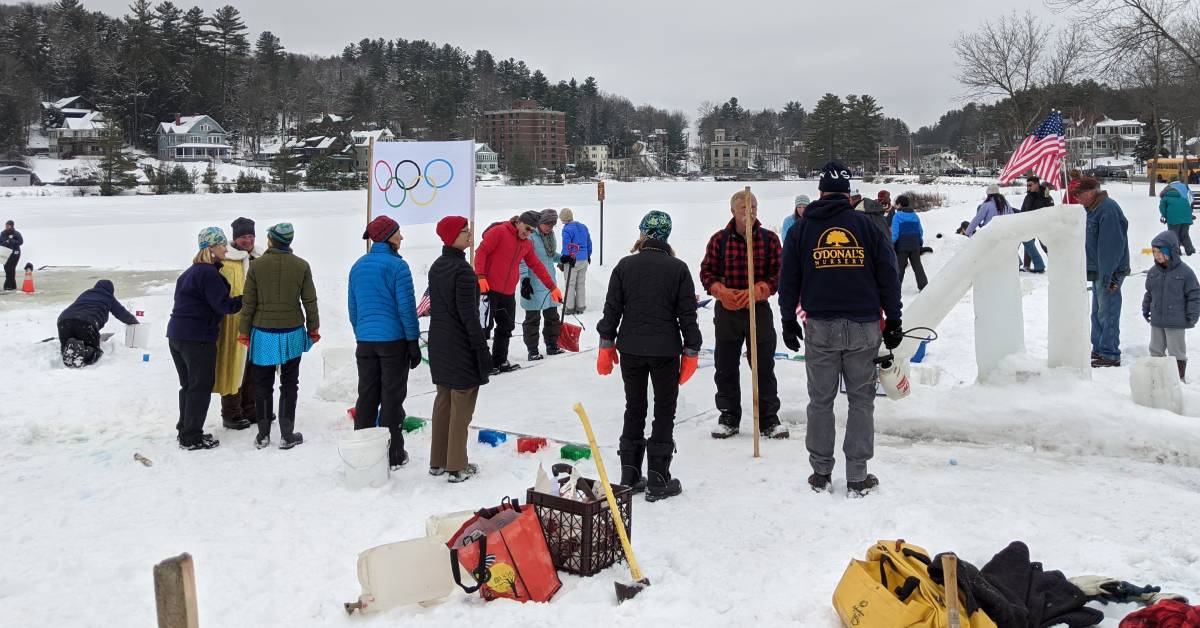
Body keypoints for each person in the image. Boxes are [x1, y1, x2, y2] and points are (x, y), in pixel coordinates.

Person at [778, 161, 903, 498]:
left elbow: (788, 279)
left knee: (820, 401)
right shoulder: (868, 227)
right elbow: (888, 275)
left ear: (820, 192)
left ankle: (820, 472)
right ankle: (857, 476)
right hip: (863, 326)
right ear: (848, 194)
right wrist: (894, 319)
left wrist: (788, 318)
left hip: (820, 326)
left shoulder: (801, 230)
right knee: (861, 401)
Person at [597, 211, 702, 502]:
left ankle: (629, 476)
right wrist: (691, 349)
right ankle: (658, 477)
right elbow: (687, 316)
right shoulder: (678, 268)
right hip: (664, 351)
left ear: (643, 233)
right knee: (663, 410)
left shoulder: (624, 266)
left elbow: (611, 310)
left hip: (630, 348)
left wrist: (607, 343)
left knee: (635, 407)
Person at [700, 189, 785, 440]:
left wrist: (761, 289)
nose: (750, 212)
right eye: (744, 208)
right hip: (728, 310)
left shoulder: (769, 239)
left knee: (763, 364)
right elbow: (707, 272)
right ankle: (728, 416)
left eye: (754, 207)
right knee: (725, 364)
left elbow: (779, 273)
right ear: (733, 211)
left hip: (758, 309)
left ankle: (769, 418)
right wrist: (720, 291)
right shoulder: (719, 240)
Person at [238, 223, 319, 449]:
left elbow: (249, 303)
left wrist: (244, 331)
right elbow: (309, 301)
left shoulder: (257, 266)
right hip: (292, 331)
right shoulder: (302, 266)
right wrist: (314, 328)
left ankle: (263, 435)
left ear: (272, 240)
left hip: (263, 333)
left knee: (262, 384)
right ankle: (287, 434)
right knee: (290, 382)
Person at [348, 215, 421, 469]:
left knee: (366, 396)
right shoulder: (398, 267)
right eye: (398, 233)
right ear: (388, 237)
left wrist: (362, 333)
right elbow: (406, 310)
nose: (401, 237)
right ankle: (393, 454)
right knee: (391, 398)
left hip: (365, 341)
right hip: (393, 341)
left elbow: (353, 309)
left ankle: (363, 452)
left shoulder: (358, 266)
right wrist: (413, 342)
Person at [166, 228, 244, 450]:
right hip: (197, 338)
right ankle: (192, 437)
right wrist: (246, 298)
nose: (226, 249)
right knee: (200, 387)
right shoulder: (208, 273)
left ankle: (185, 429)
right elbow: (223, 305)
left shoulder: (189, 273)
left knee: (188, 385)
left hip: (176, 335)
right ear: (210, 248)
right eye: (221, 245)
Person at [427, 216, 491, 482]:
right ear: (452, 236)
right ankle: (457, 465)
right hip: (459, 344)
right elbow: (468, 315)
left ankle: (438, 461)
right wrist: (480, 347)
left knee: (443, 400)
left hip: (439, 341)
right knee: (462, 403)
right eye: (464, 231)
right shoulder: (463, 271)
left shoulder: (437, 266)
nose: (469, 235)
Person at [475, 210, 560, 374]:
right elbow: (481, 252)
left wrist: (552, 287)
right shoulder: (499, 232)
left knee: (506, 327)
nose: (527, 233)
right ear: (519, 222)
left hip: (507, 292)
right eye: (527, 228)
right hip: (488, 289)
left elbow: (537, 266)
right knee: (484, 328)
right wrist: (480, 276)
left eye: (531, 231)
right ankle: (483, 364)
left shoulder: (526, 244)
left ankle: (499, 361)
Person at [215, 217, 265, 430]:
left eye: (251, 236)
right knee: (234, 365)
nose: (248, 240)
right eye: (244, 237)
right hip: (232, 321)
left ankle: (250, 407)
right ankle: (231, 412)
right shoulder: (227, 261)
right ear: (235, 239)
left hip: (256, 320)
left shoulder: (258, 258)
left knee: (254, 365)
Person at [1077, 177, 1130, 368]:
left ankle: (1110, 353)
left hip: (1110, 271)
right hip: (1098, 270)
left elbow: (1111, 248)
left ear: (1091, 192)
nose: (1077, 199)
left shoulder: (1107, 209)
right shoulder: (1092, 210)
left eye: (1079, 194)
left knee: (1108, 312)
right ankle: (1099, 348)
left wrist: (1108, 276)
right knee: (1097, 312)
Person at [1142, 230, 1200, 382]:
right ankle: (1157, 377)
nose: (1157, 255)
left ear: (1172, 251)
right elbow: (1149, 292)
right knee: (1155, 349)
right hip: (1157, 320)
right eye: (1154, 252)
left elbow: (1195, 295)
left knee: (1176, 350)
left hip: (1176, 321)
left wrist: (1193, 315)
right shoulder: (1153, 272)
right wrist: (1146, 308)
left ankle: (1178, 378)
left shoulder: (1185, 273)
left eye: (1161, 251)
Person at [57, 279, 140, 368]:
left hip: (64, 321)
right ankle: (82, 352)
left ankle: (68, 348)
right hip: (86, 323)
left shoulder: (86, 293)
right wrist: (135, 323)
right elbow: (122, 314)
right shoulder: (108, 297)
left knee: (65, 346)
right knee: (95, 353)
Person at [520, 209, 563, 361]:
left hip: (549, 282)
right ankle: (532, 350)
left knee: (552, 317)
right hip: (533, 283)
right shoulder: (530, 236)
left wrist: (562, 258)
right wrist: (525, 280)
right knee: (532, 319)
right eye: (547, 223)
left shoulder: (549, 236)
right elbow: (523, 259)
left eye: (553, 224)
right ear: (540, 222)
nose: (550, 227)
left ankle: (552, 345)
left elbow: (549, 256)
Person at [559, 208, 592, 315]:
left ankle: (569, 307)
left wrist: (564, 258)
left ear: (563, 219)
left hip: (572, 260)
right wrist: (588, 255)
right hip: (584, 259)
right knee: (581, 283)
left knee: (570, 284)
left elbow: (567, 246)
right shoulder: (583, 227)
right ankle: (580, 306)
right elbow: (589, 243)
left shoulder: (567, 230)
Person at [891, 195, 928, 291]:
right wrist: (920, 243)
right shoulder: (915, 216)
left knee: (900, 268)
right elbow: (920, 231)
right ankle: (924, 287)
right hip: (914, 245)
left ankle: (895, 289)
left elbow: (895, 234)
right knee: (917, 266)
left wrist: (891, 244)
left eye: (897, 204)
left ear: (899, 204)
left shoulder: (897, 216)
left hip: (902, 246)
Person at [1019, 176, 1052, 273]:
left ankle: (1057, 264)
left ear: (1037, 184)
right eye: (1027, 185)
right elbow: (1023, 210)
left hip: (1043, 225)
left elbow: (1051, 210)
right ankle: (1026, 266)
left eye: (1030, 185)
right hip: (1029, 224)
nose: (1028, 187)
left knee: (1046, 245)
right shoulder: (1028, 196)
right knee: (1028, 244)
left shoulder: (1046, 196)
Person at [1159, 183, 1195, 257]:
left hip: (1174, 220)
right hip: (1186, 219)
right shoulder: (1183, 198)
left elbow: (1162, 209)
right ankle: (1190, 250)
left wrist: (1165, 217)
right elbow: (1188, 209)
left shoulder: (1165, 198)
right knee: (1184, 235)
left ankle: (1176, 251)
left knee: (1174, 236)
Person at [1, 220, 22, 291]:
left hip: (15, 253)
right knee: (7, 269)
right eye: (6, 225)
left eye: (8, 225)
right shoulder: (3, 233)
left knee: (11, 269)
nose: (7, 227)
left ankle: (8, 286)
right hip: (5, 253)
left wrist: (11, 241)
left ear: (12, 226)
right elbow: (1, 242)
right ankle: (12, 286)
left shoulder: (16, 233)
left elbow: (20, 242)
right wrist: (6, 242)